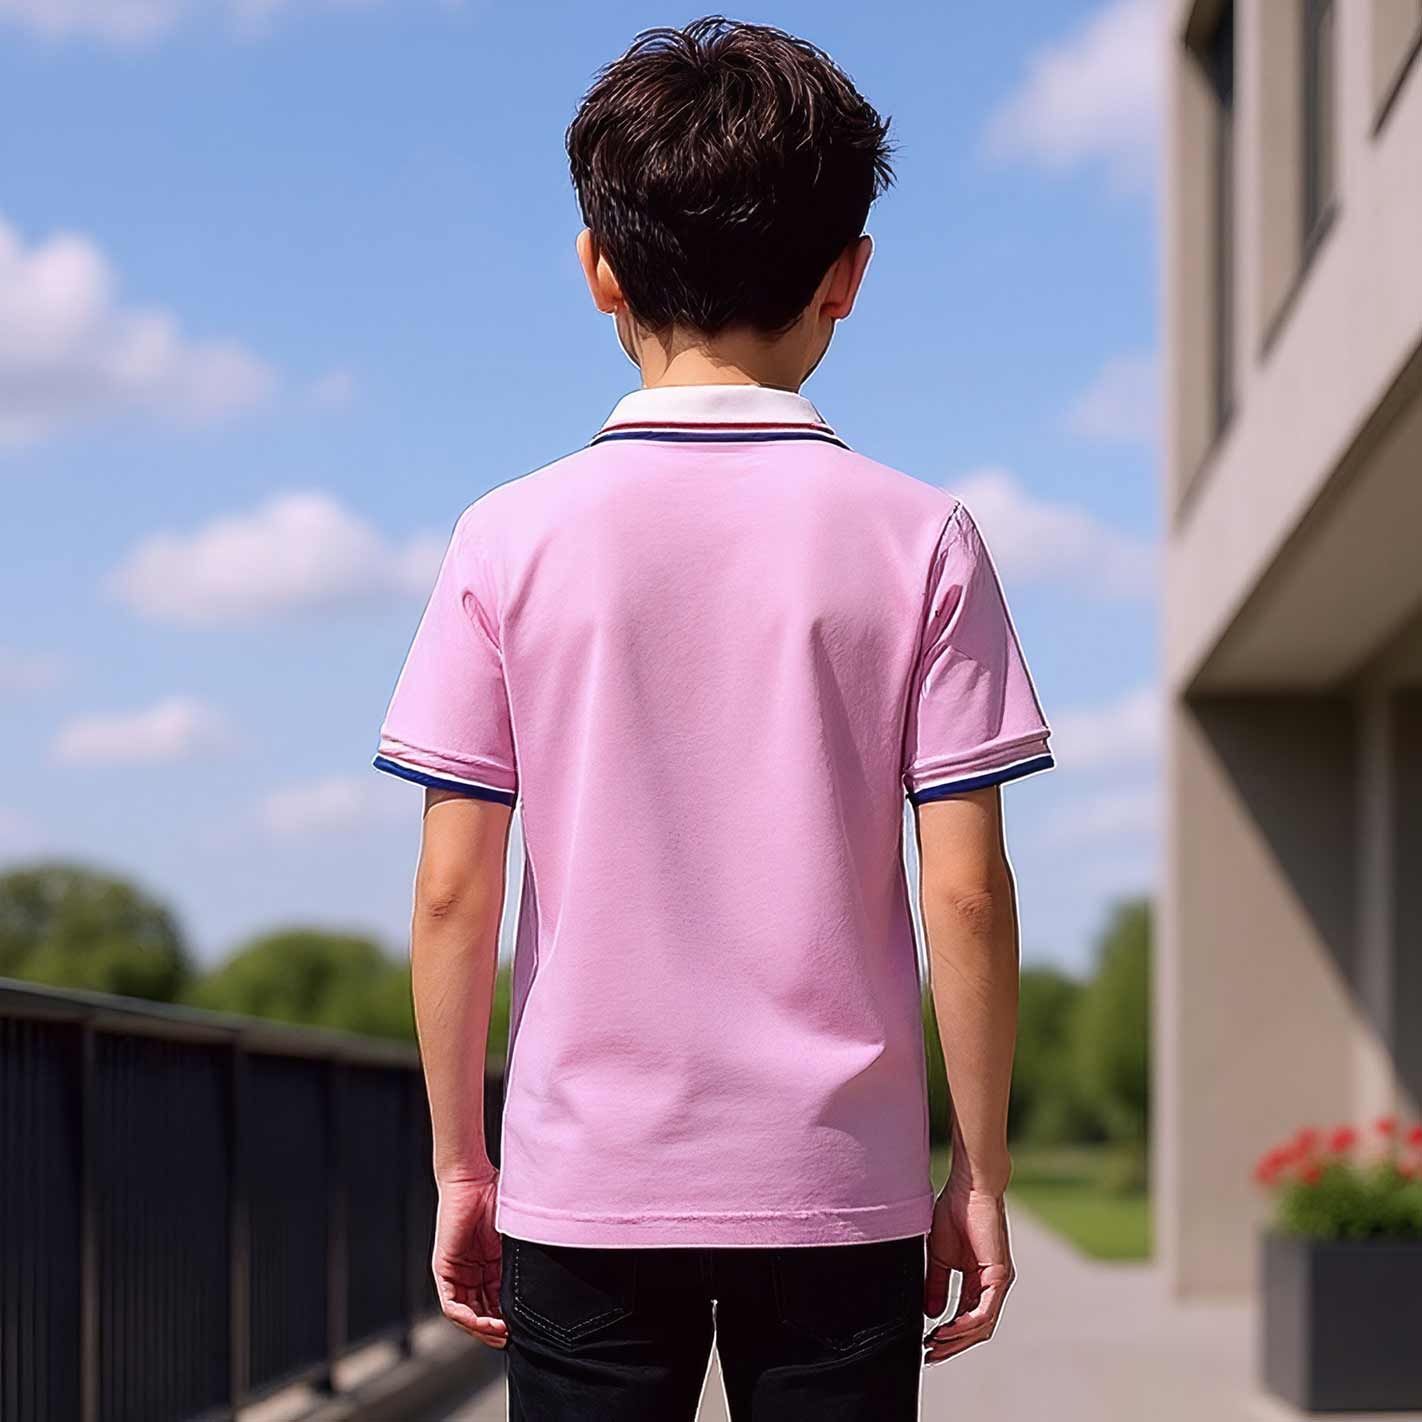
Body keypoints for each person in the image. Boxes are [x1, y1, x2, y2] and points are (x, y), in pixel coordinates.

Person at [373, 17, 1053, 1420]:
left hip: (585, 1184)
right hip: (835, 1185)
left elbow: (454, 892)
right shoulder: (922, 537)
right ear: (846, 278)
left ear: (598, 269)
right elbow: (968, 890)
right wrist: (976, 1173)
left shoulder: (507, 537)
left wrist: (461, 1163)